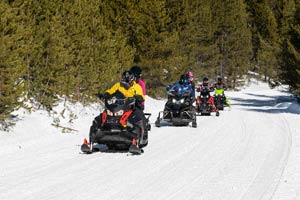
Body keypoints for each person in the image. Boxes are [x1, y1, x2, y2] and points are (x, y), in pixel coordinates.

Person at [92, 71, 145, 152]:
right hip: (119, 105)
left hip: (131, 106)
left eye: (128, 80)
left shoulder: (137, 87)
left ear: (132, 79)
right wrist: (105, 95)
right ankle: (92, 140)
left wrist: (138, 97)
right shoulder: (118, 85)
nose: (126, 81)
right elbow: (111, 91)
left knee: (138, 116)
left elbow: (141, 96)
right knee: (101, 116)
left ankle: (141, 139)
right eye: (124, 79)